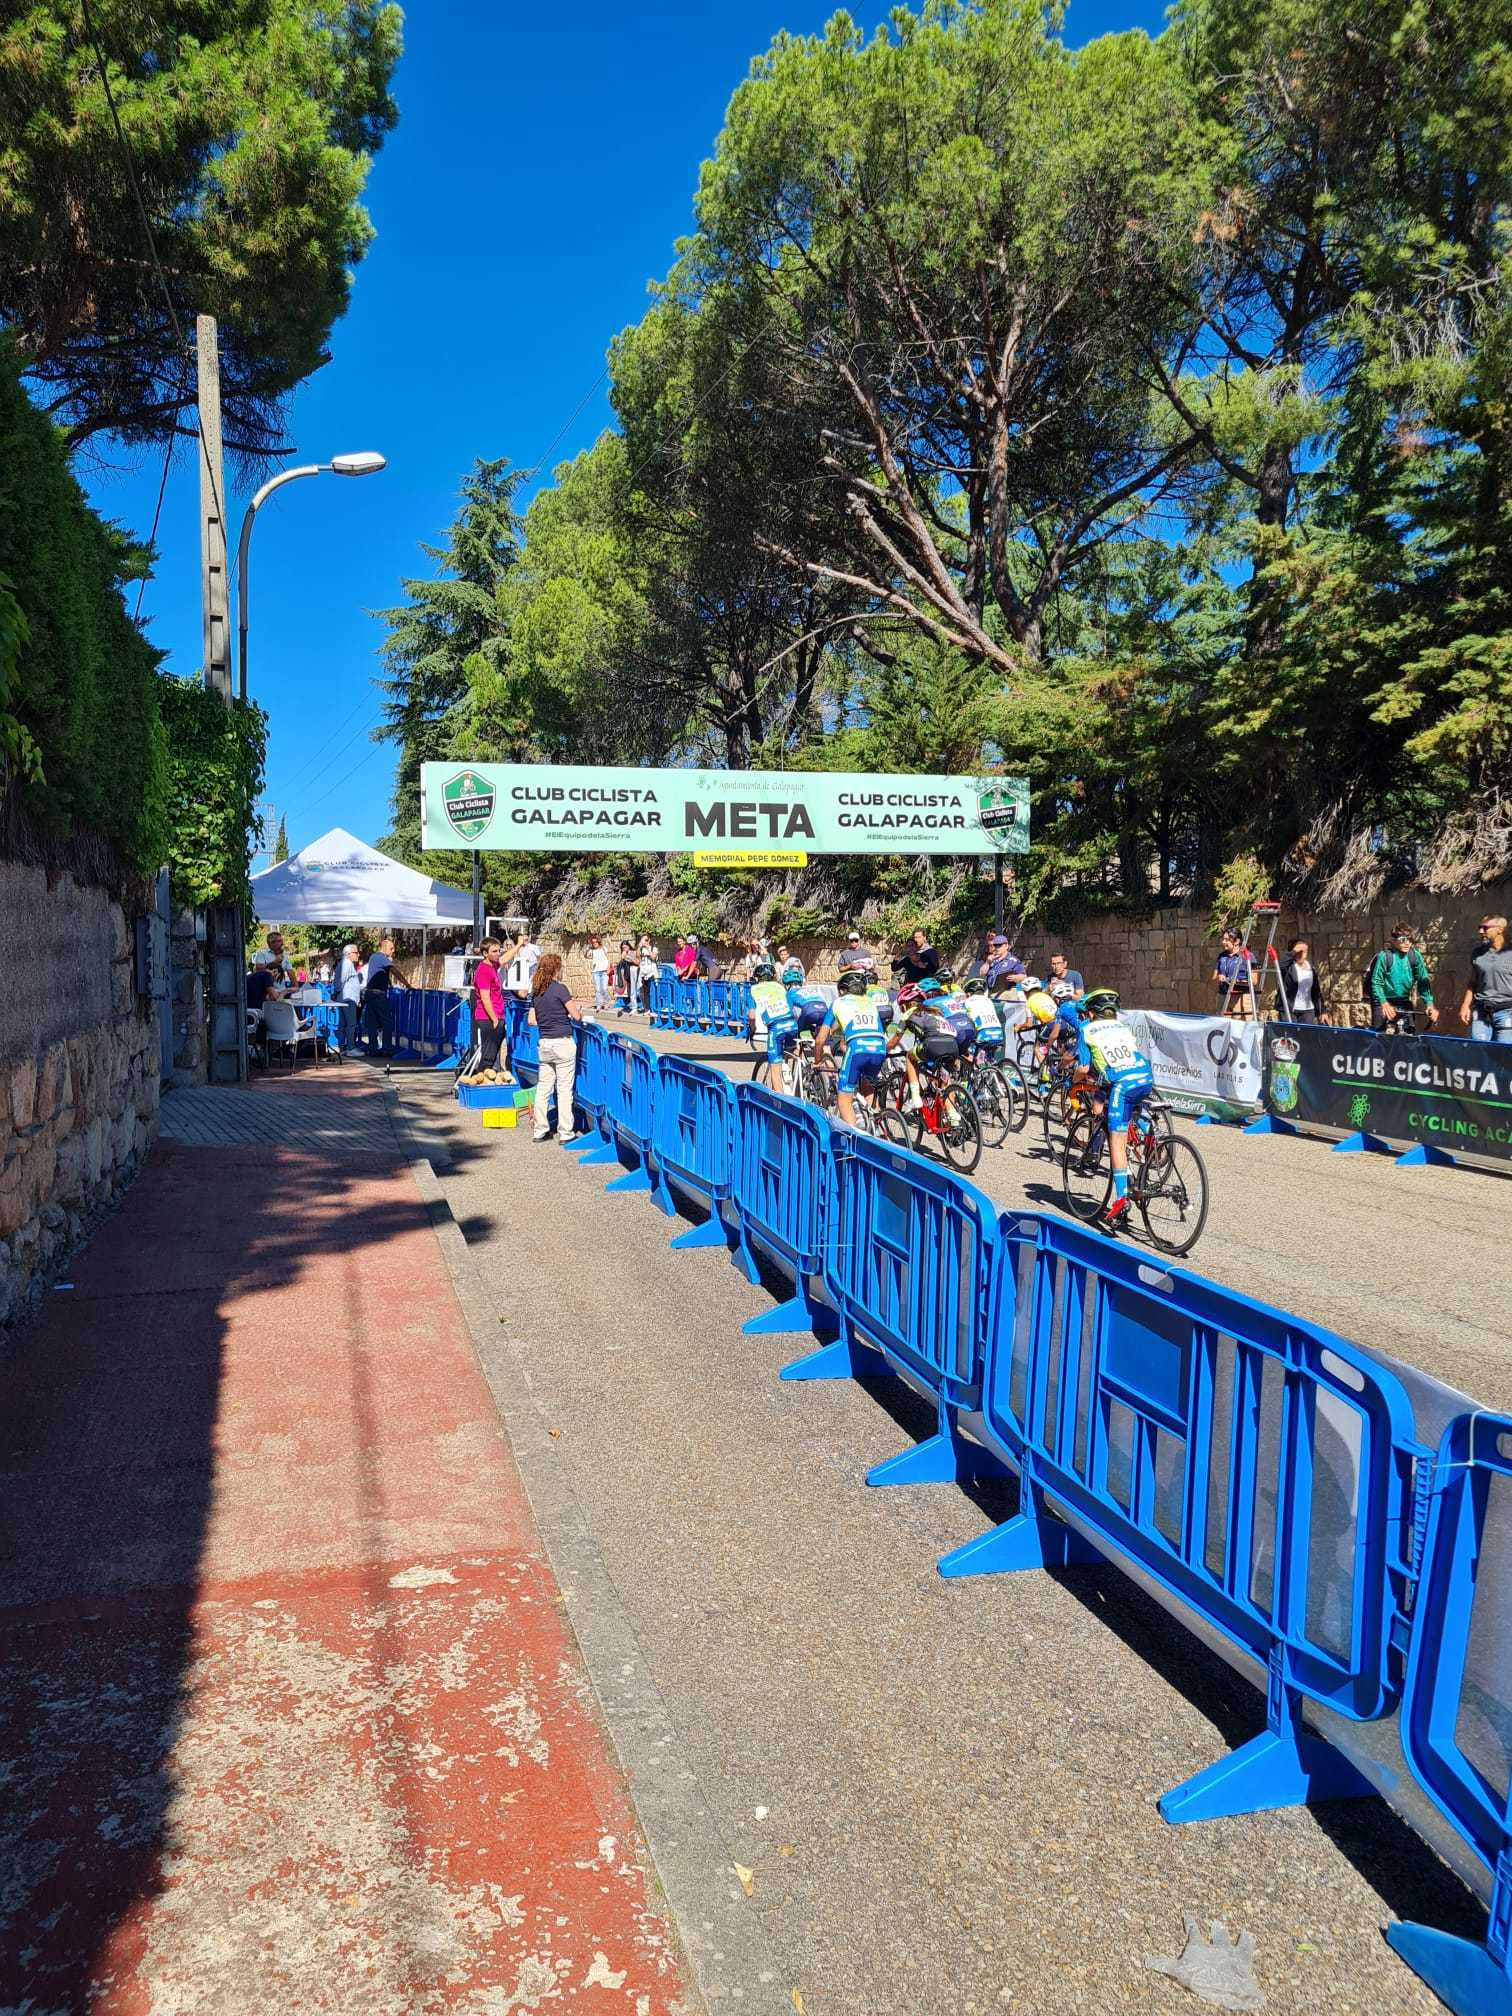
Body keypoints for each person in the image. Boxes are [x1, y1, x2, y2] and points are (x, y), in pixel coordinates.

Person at [1072, 989, 1157, 1230]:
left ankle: (1120, 1199)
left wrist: (1072, 1079)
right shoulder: (1122, 1027)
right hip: (1144, 1075)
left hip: (1120, 1083)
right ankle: (1150, 1136)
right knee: (1129, 1105)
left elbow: (1085, 1067)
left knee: (1116, 1140)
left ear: (1091, 1013)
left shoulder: (1086, 1029)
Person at [813, 969, 889, 1127]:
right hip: (880, 1048)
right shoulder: (870, 1002)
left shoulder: (838, 1003)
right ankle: (874, 1124)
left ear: (842, 990)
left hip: (857, 1049)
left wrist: (817, 1061)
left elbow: (821, 1040)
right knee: (868, 1086)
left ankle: (853, 1140)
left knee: (844, 1099)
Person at [530, 953, 582, 1144]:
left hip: (545, 1043)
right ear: (556, 969)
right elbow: (576, 1015)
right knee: (564, 1089)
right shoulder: (560, 989)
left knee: (543, 1088)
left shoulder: (536, 991)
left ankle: (540, 1130)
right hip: (562, 1042)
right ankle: (566, 1133)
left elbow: (531, 1019)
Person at [1367, 922, 1438, 1032]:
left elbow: (1423, 981)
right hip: (1382, 1000)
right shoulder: (1384, 957)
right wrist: (1383, 1003)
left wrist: (1429, 1005)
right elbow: (1376, 982)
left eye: (1410, 940)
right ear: (1394, 940)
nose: (1407, 943)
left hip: (1402, 1000)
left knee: (1408, 1036)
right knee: (1379, 1037)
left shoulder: (1414, 956)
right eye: (1403, 939)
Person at [747, 960, 799, 1092]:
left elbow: (751, 1016)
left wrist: (752, 1030)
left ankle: (780, 1103)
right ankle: (800, 1080)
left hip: (776, 1027)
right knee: (793, 1051)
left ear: (757, 978)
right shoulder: (780, 987)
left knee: (775, 1068)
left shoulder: (753, 990)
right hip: (792, 1023)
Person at [1460, 914, 1512, 1043]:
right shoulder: (1477, 953)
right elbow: (1473, 982)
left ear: (1500, 929)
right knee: (1478, 1052)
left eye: (1485, 928)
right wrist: (1465, 1005)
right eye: (1479, 927)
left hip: (1507, 1011)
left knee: (1504, 1055)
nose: (1481, 931)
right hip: (1481, 1010)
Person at [472, 937, 511, 1080]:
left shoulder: (492, 966)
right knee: (489, 1054)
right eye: (494, 951)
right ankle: (479, 1081)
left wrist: (518, 945)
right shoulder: (483, 971)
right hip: (488, 1017)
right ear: (485, 953)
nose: (497, 953)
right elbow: (485, 997)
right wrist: (494, 1018)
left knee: (492, 1053)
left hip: (497, 1015)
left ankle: (486, 1080)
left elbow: (504, 958)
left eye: (498, 950)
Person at [361, 934, 404, 1057]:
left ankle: (373, 1048)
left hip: (370, 993)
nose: (393, 951)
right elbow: (394, 971)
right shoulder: (380, 957)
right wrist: (407, 984)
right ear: (384, 947)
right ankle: (387, 1048)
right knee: (387, 1021)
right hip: (378, 993)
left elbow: (381, 973)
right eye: (391, 948)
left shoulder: (374, 958)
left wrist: (389, 983)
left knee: (373, 1022)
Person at [1277, 937, 1330, 1024]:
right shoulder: (1288, 967)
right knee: (1290, 1036)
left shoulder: (1310, 969)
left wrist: (1323, 1011)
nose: (1302, 954)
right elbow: (1279, 965)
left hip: (1307, 1010)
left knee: (1304, 1036)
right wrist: (1294, 951)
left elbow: (1316, 992)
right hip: (1289, 1009)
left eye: (1304, 952)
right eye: (1299, 952)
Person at [1212, 929, 1257, 1017]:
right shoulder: (1221, 956)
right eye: (1223, 939)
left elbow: (1254, 981)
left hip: (1240, 997)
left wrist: (1238, 981)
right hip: (1223, 996)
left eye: (1227, 940)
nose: (1223, 942)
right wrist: (1219, 977)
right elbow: (1213, 978)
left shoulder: (1248, 956)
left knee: (1238, 1027)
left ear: (1237, 941)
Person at [332, 942, 362, 1054]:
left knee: (343, 1024)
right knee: (351, 1024)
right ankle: (350, 1048)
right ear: (349, 953)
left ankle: (343, 1047)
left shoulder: (344, 963)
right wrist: (337, 991)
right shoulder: (347, 963)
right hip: (348, 998)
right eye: (356, 952)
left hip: (344, 998)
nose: (358, 955)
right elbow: (341, 980)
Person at [246, 948, 282, 1014]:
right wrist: (286, 991)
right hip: (255, 1014)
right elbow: (275, 999)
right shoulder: (267, 975)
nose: (274, 982)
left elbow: (268, 998)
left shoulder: (256, 976)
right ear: (276, 972)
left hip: (248, 1012)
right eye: (277, 979)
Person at [506, 929, 539, 998]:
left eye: (526, 936)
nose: (524, 938)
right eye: (523, 936)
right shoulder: (518, 948)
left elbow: (539, 958)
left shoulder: (534, 947)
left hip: (531, 967)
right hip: (521, 967)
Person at [589, 934, 611, 1012]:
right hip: (596, 971)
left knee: (604, 988)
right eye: (593, 942)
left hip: (604, 971)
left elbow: (608, 959)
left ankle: (606, 1002)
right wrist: (587, 949)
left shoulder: (604, 949)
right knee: (598, 989)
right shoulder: (592, 950)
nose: (594, 943)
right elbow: (586, 956)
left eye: (595, 942)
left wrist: (608, 968)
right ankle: (599, 1004)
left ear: (599, 941)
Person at [636, 940, 659, 1013]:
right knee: (644, 992)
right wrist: (639, 947)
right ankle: (647, 1008)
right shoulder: (641, 949)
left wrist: (648, 948)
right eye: (643, 940)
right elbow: (637, 957)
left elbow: (653, 957)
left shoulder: (653, 948)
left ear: (649, 941)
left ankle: (654, 1008)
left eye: (646, 940)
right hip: (643, 973)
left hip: (652, 973)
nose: (644, 942)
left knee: (652, 991)